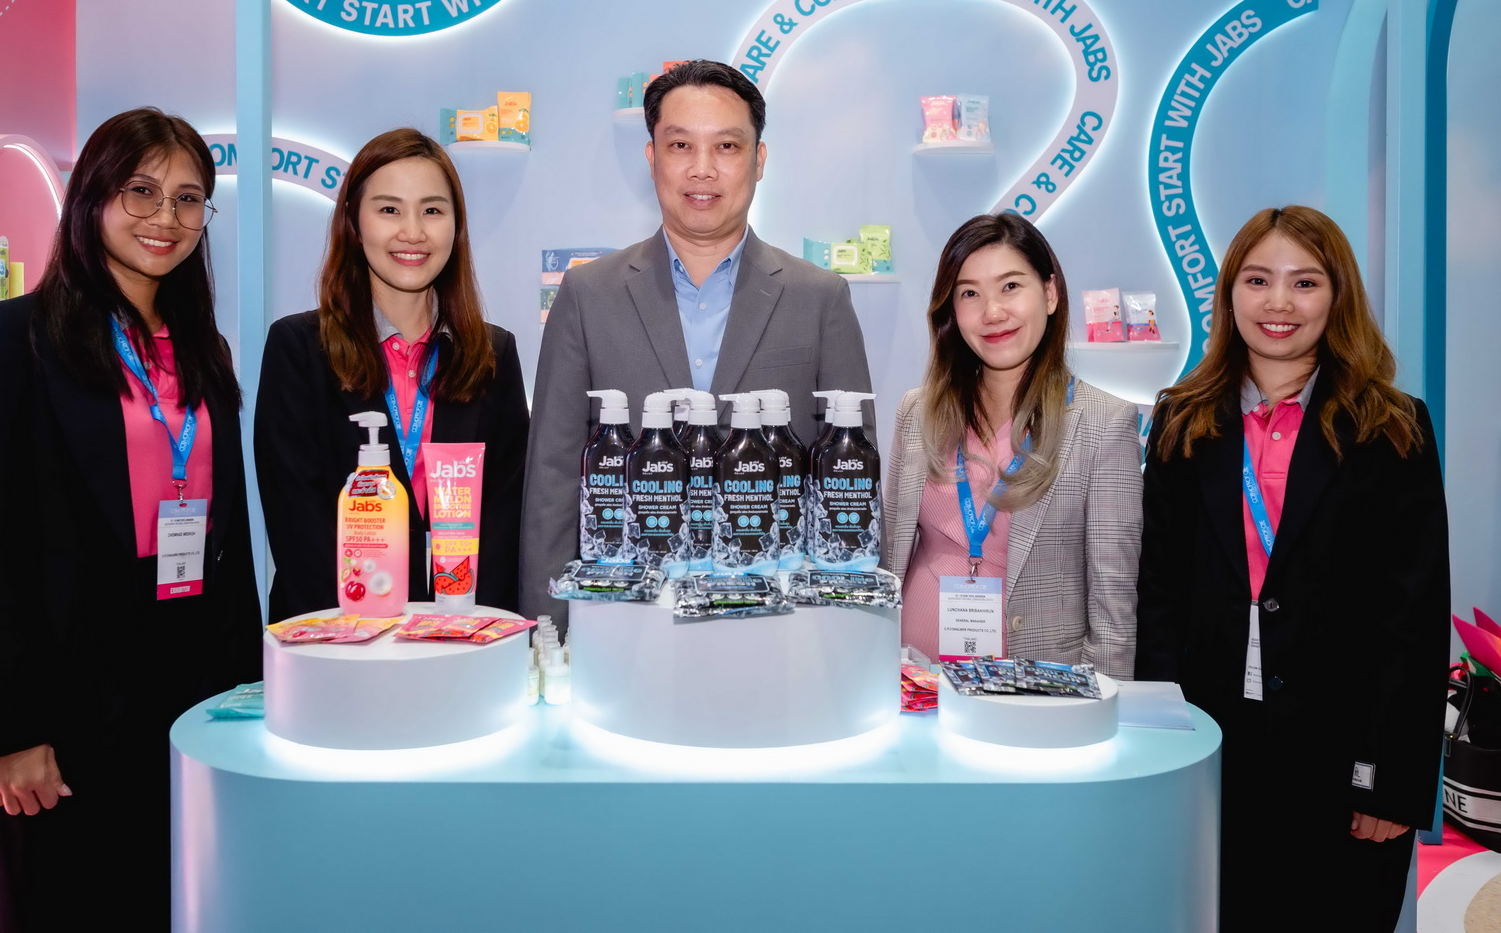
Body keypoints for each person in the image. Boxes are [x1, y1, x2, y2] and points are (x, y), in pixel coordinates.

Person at [0, 108, 260, 931]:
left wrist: (248, 694)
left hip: (187, 692)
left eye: (188, 198)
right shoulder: (10, 337)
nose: (166, 216)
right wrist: (6, 732)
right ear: (92, 197)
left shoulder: (203, 351)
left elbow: (225, 541)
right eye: (141, 191)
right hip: (60, 708)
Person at [1136, 205, 1448, 932]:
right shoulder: (1182, 419)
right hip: (1211, 747)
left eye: (1304, 282)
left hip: (1343, 761)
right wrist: (1161, 740)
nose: (1278, 302)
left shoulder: (1392, 426)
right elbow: (1159, 596)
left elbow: (1416, 613)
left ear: (1337, 296)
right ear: (1229, 294)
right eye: (1257, 280)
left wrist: (1391, 784)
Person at [519, 59, 873, 624]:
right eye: (680, 145)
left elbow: (852, 487)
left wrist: (850, 632)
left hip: (780, 627)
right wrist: (548, 633)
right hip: (625, 623)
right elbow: (553, 478)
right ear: (652, 157)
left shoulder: (819, 297)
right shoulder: (588, 294)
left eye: (727, 147)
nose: (702, 169)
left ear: (759, 160)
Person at [257, 128, 528, 622]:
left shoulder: (492, 354)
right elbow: (297, 524)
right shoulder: (298, 348)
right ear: (354, 222)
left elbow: (505, 519)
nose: (413, 232)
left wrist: (468, 628)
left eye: (432, 210)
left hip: (462, 630)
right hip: (337, 632)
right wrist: (360, 631)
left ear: (456, 227)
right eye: (389, 209)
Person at [880, 211, 1139, 676]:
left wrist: (1099, 703)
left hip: (1036, 688)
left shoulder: (1104, 423)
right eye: (970, 293)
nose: (992, 312)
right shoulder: (916, 412)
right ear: (951, 310)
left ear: (1050, 293)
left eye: (1011, 286)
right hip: (911, 677)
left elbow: (1113, 609)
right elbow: (889, 555)